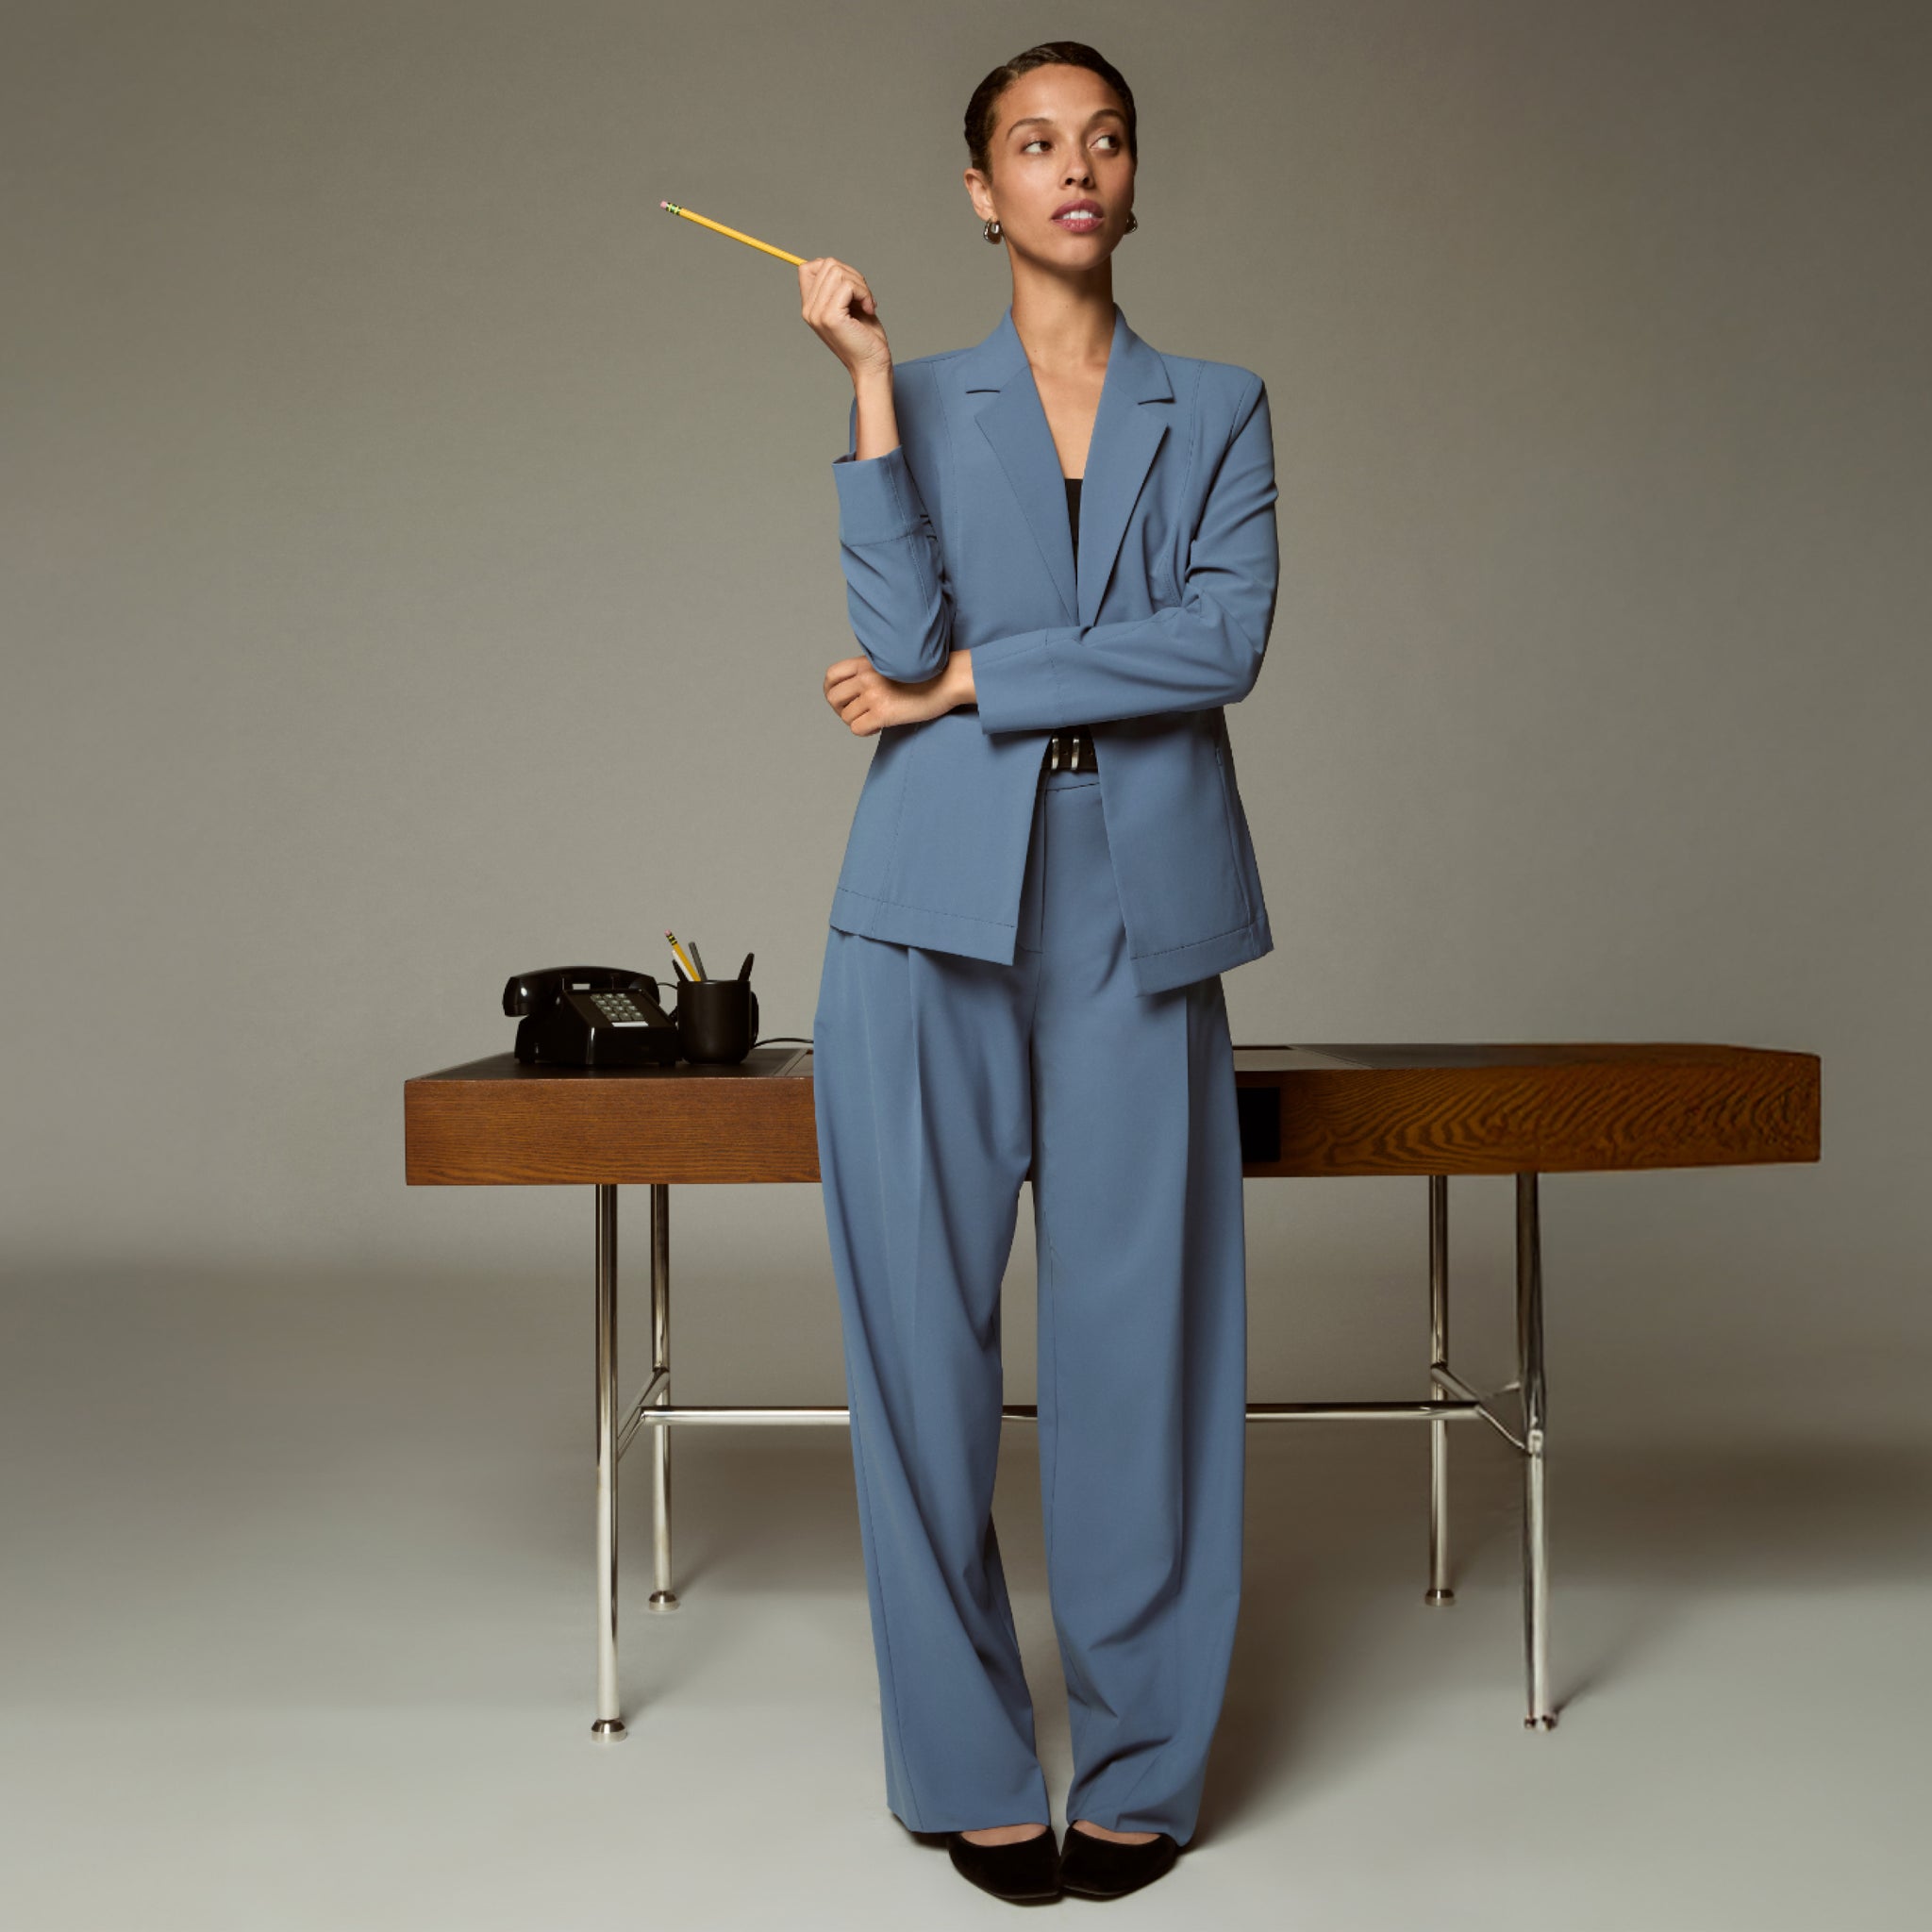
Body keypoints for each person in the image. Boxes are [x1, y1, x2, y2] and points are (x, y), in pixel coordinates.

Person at [800, 39, 1277, 1907]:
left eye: (1102, 139)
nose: (1072, 165)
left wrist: (981, 684)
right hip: (921, 906)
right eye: (1030, 143)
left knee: (1133, 1348)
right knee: (916, 1343)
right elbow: (891, 630)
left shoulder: (1220, 405)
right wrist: (859, 390)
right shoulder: (910, 394)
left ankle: (1147, 1758)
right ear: (979, 195)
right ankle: (962, 1756)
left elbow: (1220, 641)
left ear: (1133, 181)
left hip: (1138, 907)